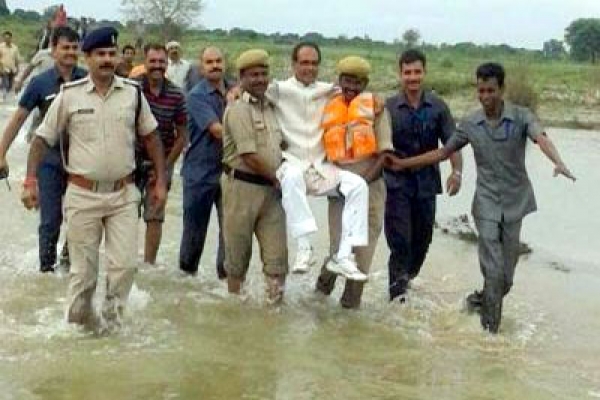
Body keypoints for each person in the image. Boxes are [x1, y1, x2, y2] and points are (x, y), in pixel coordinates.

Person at [385, 62, 575, 333]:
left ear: (502, 89)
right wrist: (403, 165)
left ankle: (478, 301)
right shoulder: (471, 123)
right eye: (481, 90)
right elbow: (442, 152)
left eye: (490, 91)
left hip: (515, 202)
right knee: (494, 272)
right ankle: (491, 338)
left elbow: (541, 138)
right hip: (485, 203)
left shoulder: (522, 116)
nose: (485, 97)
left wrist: (558, 162)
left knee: (506, 280)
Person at [21, 27, 167, 330]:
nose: (106, 59)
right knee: (84, 276)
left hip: (123, 195)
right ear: (87, 58)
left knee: (125, 267)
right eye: (100, 54)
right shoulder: (69, 96)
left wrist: (161, 182)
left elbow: (152, 138)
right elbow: (41, 140)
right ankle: (78, 332)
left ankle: (112, 329)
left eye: (111, 54)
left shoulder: (133, 95)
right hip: (82, 195)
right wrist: (30, 181)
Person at [268, 42, 369, 281]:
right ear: (293, 64)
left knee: (358, 186)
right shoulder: (279, 89)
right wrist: (234, 91)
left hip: (321, 167)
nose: (309, 68)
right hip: (293, 162)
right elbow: (253, 89)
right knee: (289, 176)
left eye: (314, 63)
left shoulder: (328, 90)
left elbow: (356, 90)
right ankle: (304, 247)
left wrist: (374, 100)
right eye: (304, 62)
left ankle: (343, 256)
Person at [0, 27, 86, 273]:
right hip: (48, 160)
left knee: (80, 219)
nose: (70, 52)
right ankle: (46, 271)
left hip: (82, 160)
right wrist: (1, 152)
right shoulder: (40, 82)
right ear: (53, 49)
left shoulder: (88, 80)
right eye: (65, 47)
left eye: (74, 47)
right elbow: (18, 119)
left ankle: (70, 266)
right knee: (50, 220)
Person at [384, 49, 463, 301]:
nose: (412, 77)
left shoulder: (438, 107)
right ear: (400, 74)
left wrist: (457, 171)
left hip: (427, 184)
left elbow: (453, 142)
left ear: (424, 73)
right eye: (407, 72)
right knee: (400, 242)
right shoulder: (388, 108)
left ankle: (406, 279)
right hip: (395, 185)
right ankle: (397, 299)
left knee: (423, 241)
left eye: (417, 72)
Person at [315, 56, 394, 308]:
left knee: (362, 256)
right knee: (338, 249)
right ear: (339, 81)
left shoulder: (377, 109)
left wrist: (359, 185)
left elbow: (385, 155)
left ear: (366, 83)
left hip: (370, 190)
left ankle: (350, 309)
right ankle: (318, 297)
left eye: (357, 82)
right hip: (338, 191)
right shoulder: (327, 104)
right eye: (347, 81)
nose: (351, 87)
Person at [221, 49, 288, 303]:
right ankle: (235, 311)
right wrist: (280, 178)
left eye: (264, 73)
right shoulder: (237, 109)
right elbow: (248, 155)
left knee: (277, 260)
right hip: (241, 188)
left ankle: (274, 312)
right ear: (241, 77)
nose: (260, 79)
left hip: (272, 193)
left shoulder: (273, 108)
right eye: (253, 75)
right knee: (237, 260)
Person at [179, 46, 231, 278]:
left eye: (218, 61)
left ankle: (226, 286)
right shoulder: (196, 96)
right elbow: (218, 131)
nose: (215, 66)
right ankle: (186, 286)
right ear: (202, 66)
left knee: (230, 234)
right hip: (199, 173)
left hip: (229, 173)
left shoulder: (235, 91)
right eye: (209, 62)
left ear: (225, 63)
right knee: (193, 237)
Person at [136, 43, 187, 265]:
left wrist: (164, 168)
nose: (157, 66)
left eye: (161, 62)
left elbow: (182, 136)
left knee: (155, 216)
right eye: (153, 61)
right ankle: (123, 263)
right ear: (145, 62)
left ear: (167, 64)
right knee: (124, 214)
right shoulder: (132, 89)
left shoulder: (176, 94)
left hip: (163, 160)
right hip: (131, 160)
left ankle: (148, 265)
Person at [0, 31, 21, 100]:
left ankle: (7, 96)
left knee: (10, 84)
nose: (7, 39)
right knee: (5, 81)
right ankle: (3, 95)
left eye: (8, 38)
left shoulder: (15, 48)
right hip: (3, 68)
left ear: (11, 38)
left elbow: (17, 60)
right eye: (5, 38)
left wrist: (18, 69)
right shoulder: (1, 47)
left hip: (12, 69)